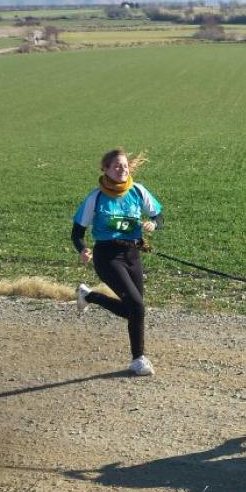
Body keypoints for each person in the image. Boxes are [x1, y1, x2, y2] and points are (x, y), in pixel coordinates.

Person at [71, 148, 163, 376]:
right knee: (137, 307)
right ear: (106, 170)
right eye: (116, 167)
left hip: (132, 254)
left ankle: (88, 295)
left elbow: (158, 216)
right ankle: (138, 359)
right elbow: (77, 232)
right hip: (107, 256)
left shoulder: (137, 191)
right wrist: (83, 249)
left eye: (124, 166)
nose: (121, 170)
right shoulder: (96, 197)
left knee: (134, 309)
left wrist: (154, 224)